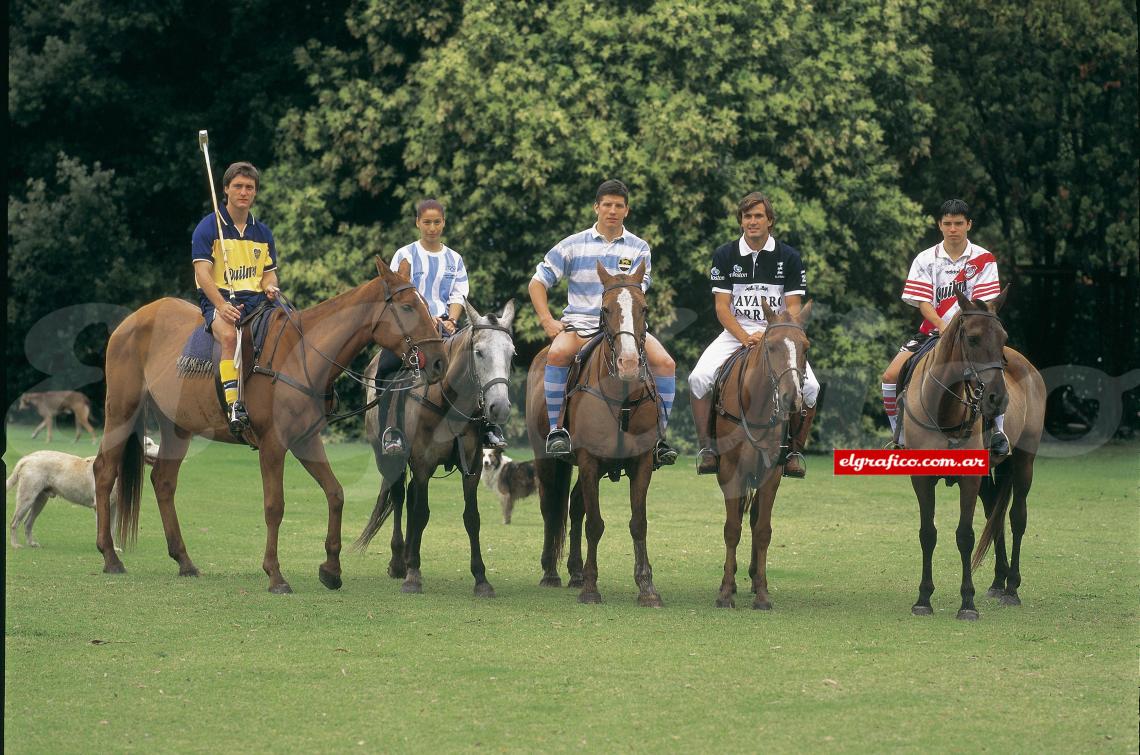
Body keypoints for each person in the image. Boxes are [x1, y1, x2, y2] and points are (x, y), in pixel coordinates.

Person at [528, 179, 678, 466]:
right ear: (596, 207)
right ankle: (557, 431)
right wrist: (547, 320)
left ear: (627, 210)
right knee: (558, 354)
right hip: (581, 324)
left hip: (624, 328)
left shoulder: (639, 248)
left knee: (667, 364)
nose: (612, 210)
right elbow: (537, 283)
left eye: (618, 205)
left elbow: (636, 291)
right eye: (607, 205)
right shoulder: (572, 244)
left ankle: (659, 437)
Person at [688, 192, 820, 477]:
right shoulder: (725, 254)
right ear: (741, 221)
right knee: (698, 378)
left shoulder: (789, 256)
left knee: (811, 388)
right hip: (735, 332)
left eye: (758, 216)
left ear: (770, 220)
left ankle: (794, 452)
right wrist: (743, 336)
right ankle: (708, 449)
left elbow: (794, 307)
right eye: (747, 216)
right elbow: (722, 308)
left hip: (779, 333)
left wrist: (773, 332)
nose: (752, 221)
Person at [377, 198, 507, 456]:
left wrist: (451, 319)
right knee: (386, 369)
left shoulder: (454, 259)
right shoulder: (404, 255)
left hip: (446, 327)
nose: (432, 227)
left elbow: (458, 294)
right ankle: (391, 431)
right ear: (417, 223)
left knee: (477, 362)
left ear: (444, 223)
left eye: (437, 222)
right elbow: (396, 292)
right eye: (427, 222)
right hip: (413, 330)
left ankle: (488, 427)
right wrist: (425, 317)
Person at [881, 198, 1008, 455]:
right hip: (933, 331)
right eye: (947, 223)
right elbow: (923, 302)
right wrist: (942, 326)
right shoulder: (925, 259)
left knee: (994, 373)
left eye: (958, 223)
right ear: (940, 225)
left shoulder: (984, 259)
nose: (953, 229)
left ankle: (997, 431)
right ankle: (901, 435)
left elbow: (982, 305)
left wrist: (964, 330)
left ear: (968, 225)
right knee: (890, 376)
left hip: (975, 334)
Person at [191, 161, 279, 435]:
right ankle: (234, 406)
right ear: (226, 189)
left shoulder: (262, 232)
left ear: (255, 193)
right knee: (229, 337)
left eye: (249, 187)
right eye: (238, 186)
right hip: (219, 299)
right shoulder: (208, 227)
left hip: (257, 301)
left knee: (289, 328)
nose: (244, 192)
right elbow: (203, 273)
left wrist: (271, 287)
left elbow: (268, 274)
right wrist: (220, 305)